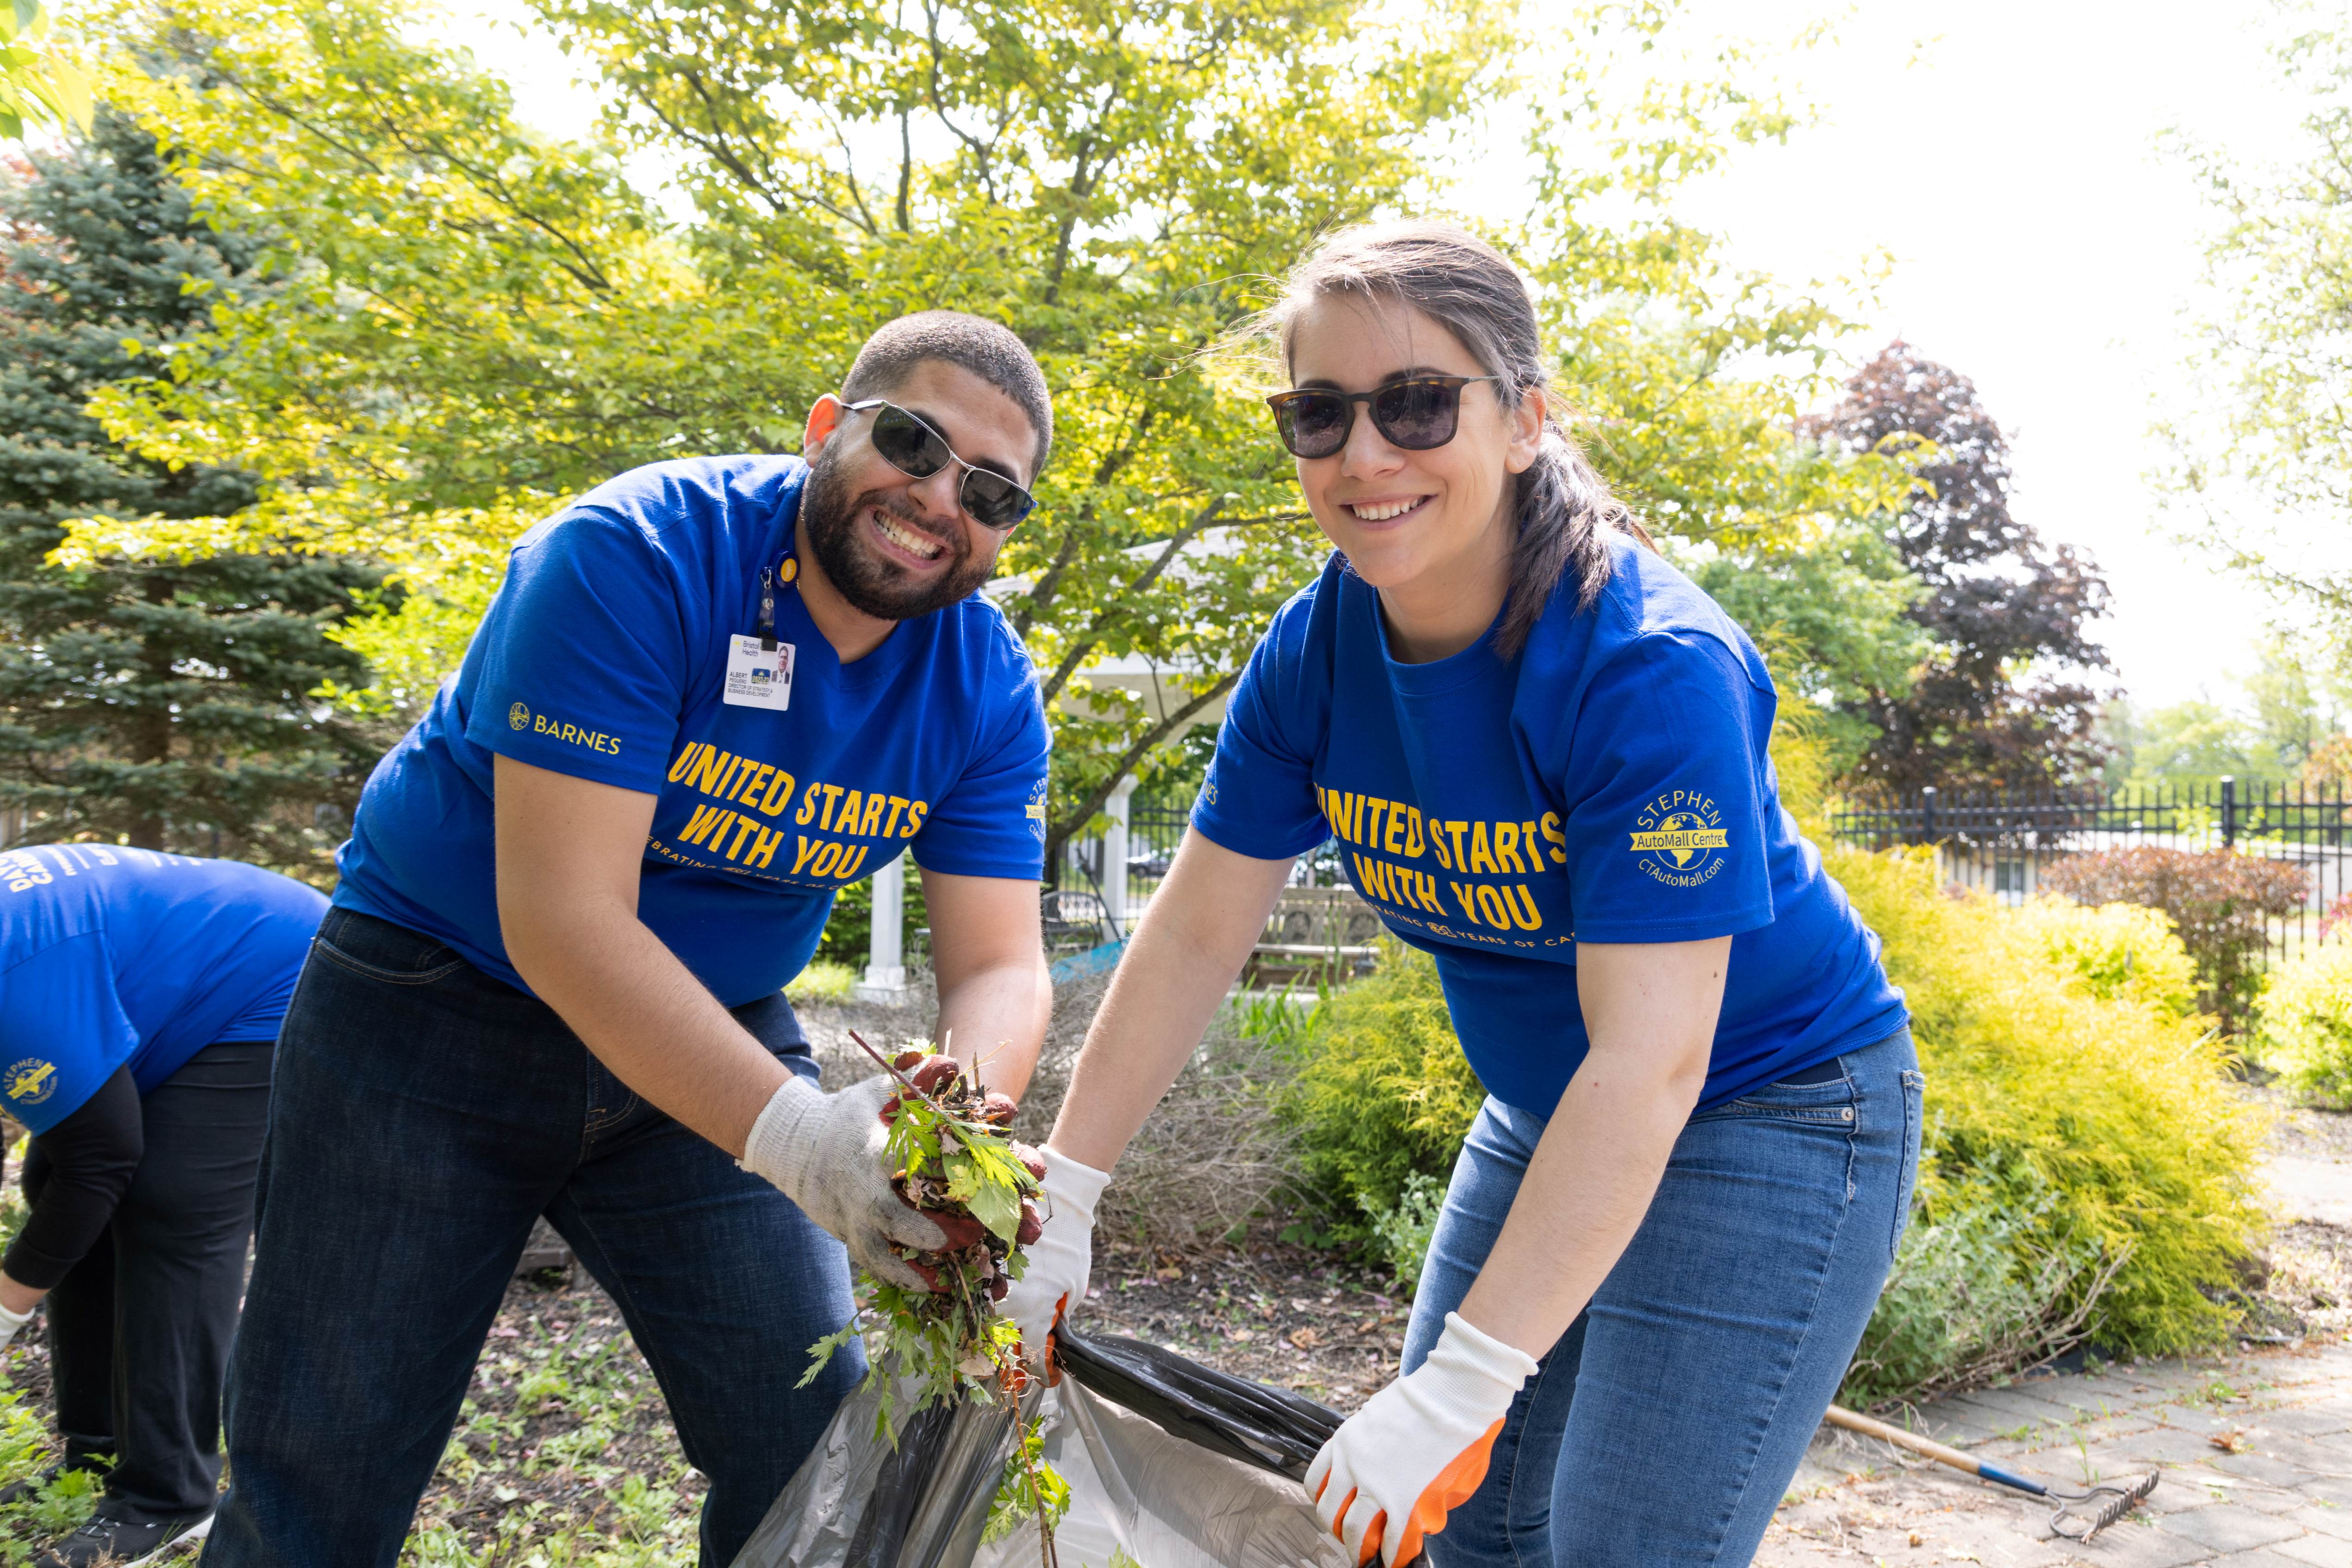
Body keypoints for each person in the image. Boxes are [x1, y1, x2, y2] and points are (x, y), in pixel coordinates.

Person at [1005, 224, 1922, 1567]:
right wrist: (1067, 1194)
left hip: (1773, 1111)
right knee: (1467, 1534)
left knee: (1621, 1547)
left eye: (1418, 403)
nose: (1365, 455)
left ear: (1525, 420)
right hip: (1556, 1110)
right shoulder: (1317, 647)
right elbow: (1198, 931)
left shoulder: (1648, 666)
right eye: (1319, 413)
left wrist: (1462, 1381)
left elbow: (1654, 1060)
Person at [201, 311, 1059, 1567]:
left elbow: (999, 964)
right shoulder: (631, 557)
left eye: (991, 493)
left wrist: (951, 1129)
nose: (939, 498)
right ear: (828, 429)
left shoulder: (985, 686)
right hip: (432, 1009)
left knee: (808, 1448)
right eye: (912, 443)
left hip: (706, 1043)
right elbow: (563, 921)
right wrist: (804, 1141)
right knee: (323, 1474)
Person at [0, 843, 325, 1566]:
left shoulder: (12, 972)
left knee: (170, 1208)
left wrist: (5, 1306)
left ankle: (170, 1495)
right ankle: (98, 1449)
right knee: (53, 1184)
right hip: (158, 989)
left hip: (271, 975)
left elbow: (103, 1157)